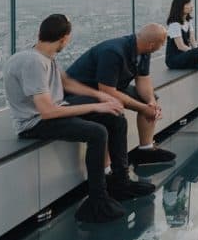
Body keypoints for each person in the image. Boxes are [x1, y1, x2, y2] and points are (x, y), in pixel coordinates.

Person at [5, 14, 155, 223]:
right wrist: (96, 105)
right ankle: (97, 199)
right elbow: (47, 112)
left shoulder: (43, 55)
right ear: (64, 38)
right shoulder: (34, 62)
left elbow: (67, 83)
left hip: (53, 112)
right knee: (97, 132)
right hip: (34, 123)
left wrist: (101, 96)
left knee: (114, 117)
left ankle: (121, 182)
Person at [64, 24, 178, 166]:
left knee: (150, 99)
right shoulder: (113, 52)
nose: (162, 46)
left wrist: (150, 102)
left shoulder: (144, 50)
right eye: (162, 43)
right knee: (112, 113)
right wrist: (143, 108)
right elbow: (107, 92)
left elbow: (143, 80)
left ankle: (146, 150)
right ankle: (107, 168)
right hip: (82, 92)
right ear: (151, 44)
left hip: (110, 88)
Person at [165, 0, 198, 70]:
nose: (191, 6)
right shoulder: (174, 24)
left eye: (190, 3)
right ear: (180, 6)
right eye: (188, 4)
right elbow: (180, 46)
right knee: (196, 52)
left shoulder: (188, 21)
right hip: (175, 59)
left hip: (185, 53)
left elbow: (193, 41)